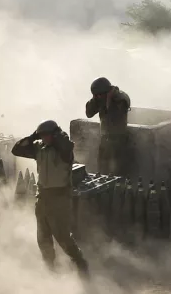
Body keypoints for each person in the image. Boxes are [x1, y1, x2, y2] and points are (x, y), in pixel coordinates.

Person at [11, 120, 89, 277]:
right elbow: (17, 150)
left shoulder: (64, 149)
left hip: (59, 198)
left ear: (54, 134)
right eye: (42, 136)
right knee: (43, 237)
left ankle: (80, 262)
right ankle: (51, 268)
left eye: (47, 135)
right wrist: (33, 137)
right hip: (43, 198)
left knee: (62, 237)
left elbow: (67, 148)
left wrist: (58, 136)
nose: (44, 138)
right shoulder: (39, 148)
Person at [85, 77, 131, 175]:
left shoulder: (120, 98)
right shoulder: (101, 98)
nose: (98, 97)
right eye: (96, 95)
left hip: (119, 140)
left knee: (118, 171)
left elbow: (114, 114)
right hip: (105, 139)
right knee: (102, 170)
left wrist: (109, 100)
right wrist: (95, 99)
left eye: (99, 95)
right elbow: (89, 113)